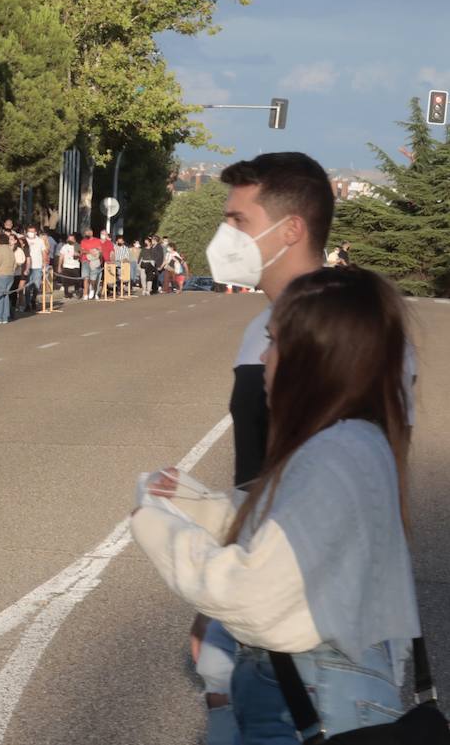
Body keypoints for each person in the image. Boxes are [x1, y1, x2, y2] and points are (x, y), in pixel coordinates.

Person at [133, 266, 417, 742]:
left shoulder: (335, 453)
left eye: (273, 341)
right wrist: (195, 503)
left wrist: (155, 527)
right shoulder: (351, 443)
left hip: (311, 699)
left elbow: (256, 595)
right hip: (319, 691)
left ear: (314, 357)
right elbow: (290, 539)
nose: (262, 357)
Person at [185, 152, 357, 743]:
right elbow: (260, 470)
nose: (224, 235)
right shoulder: (258, 330)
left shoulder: (344, 333)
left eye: (237, 220)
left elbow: (343, 484)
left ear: (290, 230)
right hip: (258, 612)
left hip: (308, 635)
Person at [57, 234, 80, 299]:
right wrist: (59, 266)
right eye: (69, 239)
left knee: (76, 280)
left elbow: (81, 254)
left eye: (72, 239)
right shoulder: (64, 247)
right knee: (65, 281)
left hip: (75, 266)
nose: (70, 240)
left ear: (74, 240)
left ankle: (76, 292)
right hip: (66, 266)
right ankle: (66, 294)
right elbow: (61, 257)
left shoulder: (77, 246)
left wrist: (78, 254)